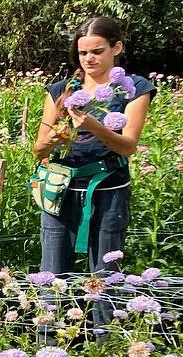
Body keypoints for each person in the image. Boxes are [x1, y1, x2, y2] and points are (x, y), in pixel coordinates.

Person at [33, 16, 154, 328]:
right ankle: (47, 353)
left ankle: (105, 351)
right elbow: (38, 151)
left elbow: (128, 147)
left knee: (105, 278)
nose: (89, 59)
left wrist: (94, 127)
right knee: (52, 278)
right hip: (59, 192)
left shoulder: (134, 89)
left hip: (108, 191)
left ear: (117, 48)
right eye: (83, 52)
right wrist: (53, 139)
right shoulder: (62, 89)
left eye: (97, 51)